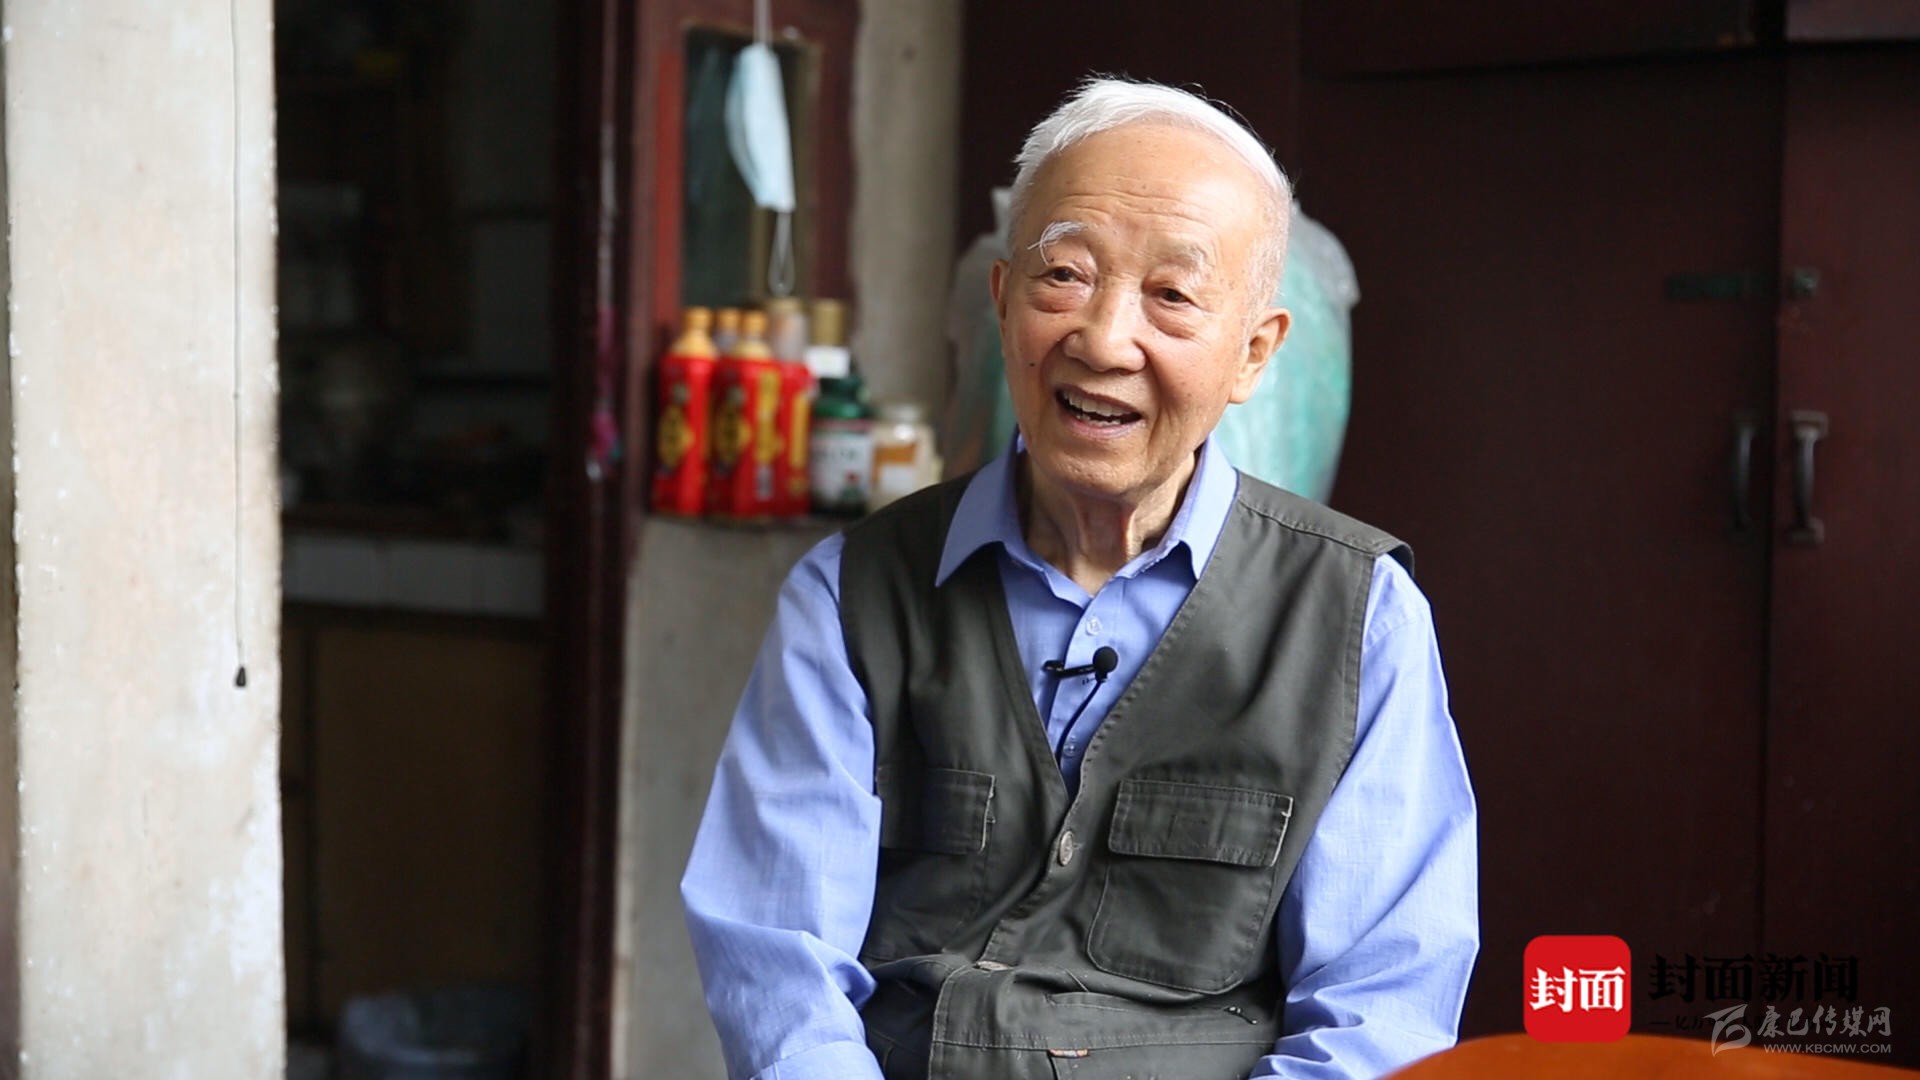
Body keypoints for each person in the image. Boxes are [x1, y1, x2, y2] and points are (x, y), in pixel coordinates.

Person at [681, 77, 1478, 1080]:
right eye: (1064, 274)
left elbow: (1379, 1015)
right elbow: (782, 975)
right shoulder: (851, 597)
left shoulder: (1360, 619)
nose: (1103, 340)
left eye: (1172, 296)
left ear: (1253, 353)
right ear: (1001, 300)